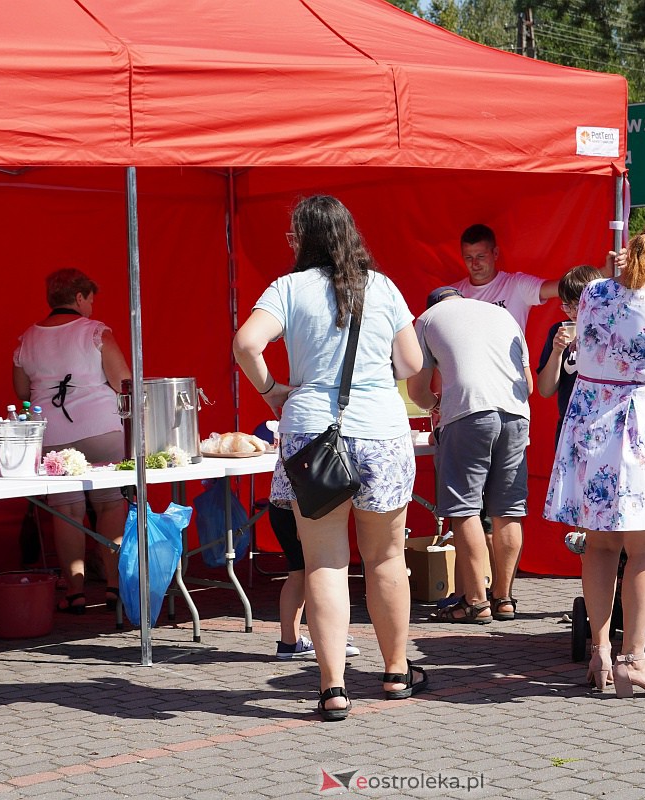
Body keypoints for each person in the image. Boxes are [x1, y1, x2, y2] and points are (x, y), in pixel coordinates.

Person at [233, 194, 427, 722]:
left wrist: (273, 388)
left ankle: (333, 687)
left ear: (305, 239)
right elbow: (410, 360)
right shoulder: (383, 287)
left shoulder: (287, 289)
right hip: (382, 433)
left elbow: (246, 342)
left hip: (312, 433)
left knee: (324, 563)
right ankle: (394, 671)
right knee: (386, 559)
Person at [544, 218, 645, 698]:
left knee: (601, 547)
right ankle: (634, 658)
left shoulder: (593, 295)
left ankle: (598, 650)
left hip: (590, 421)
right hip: (640, 427)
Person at [408, 289, 533, 625]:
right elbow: (530, 384)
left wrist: (436, 405)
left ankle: (476, 603)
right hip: (517, 414)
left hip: (468, 413)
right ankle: (504, 599)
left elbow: (416, 391)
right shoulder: (502, 314)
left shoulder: (427, 320)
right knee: (508, 509)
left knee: (464, 508)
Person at [14, 268, 132, 614]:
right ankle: (113, 586)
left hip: (52, 435)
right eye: (91, 298)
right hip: (101, 428)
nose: (93, 306)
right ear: (79, 297)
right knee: (111, 504)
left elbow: (22, 393)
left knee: (67, 511)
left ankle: (75, 590)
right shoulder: (95, 332)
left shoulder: (27, 339)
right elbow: (122, 381)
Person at [269, 503, 361, 662]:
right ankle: (331, 642)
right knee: (321, 573)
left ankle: (290, 643)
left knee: (299, 574)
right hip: (305, 507)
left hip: (284, 506)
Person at [537, 265, 607, 443]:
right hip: (569, 425)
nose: (573, 312)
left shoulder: (609, 330)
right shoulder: (558, 330)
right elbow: (545, 390)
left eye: (578, 305)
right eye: (567, 306)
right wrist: (557, 351)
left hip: (603, 423)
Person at [451, 223, 558, 331]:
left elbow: (562, 287)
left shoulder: (516, 285)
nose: (475, 263)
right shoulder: (452, 295)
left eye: (481, 256)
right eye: (469, 257)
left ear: (495, 253)